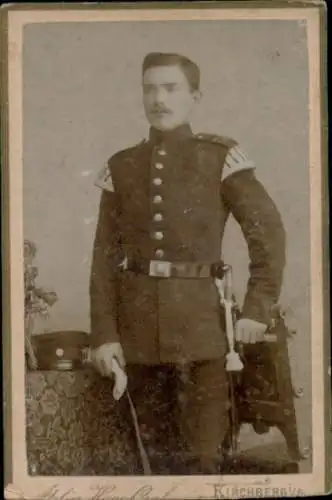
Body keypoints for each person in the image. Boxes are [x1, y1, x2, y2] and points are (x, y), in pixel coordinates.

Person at [89, 52, 286, 475]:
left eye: (170, 88)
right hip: (136, 339)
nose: (158, 98)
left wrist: (257, 308)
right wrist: (104, 335)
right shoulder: (122, 167)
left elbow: (267, 233)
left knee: (202, 461)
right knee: (149, 464)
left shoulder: (219, 158)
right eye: (150, 88)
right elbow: (104, 258)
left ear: (195, 96)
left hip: (203, 336)